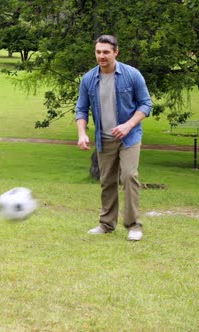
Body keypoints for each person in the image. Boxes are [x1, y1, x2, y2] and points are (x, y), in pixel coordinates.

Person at [75, 35, 152, 241]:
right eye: (98, 52)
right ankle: (106, 224)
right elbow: (81, 109)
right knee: (107, 181)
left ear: (116, 52)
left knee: (128, 176)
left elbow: (146, 104)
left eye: (106, 52)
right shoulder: (89, 79)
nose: (101, 56)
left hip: (129, 137)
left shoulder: (132, 75)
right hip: (104, 138)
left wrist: (128, 125)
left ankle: (134, 225)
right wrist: (82, 133)